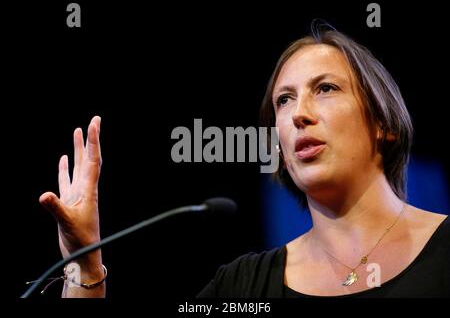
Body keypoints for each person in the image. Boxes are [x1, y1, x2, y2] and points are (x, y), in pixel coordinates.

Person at [39, 27, 449, 298]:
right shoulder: (242, 288)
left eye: (324, 88)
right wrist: (85, 265)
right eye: (283, 101)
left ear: (382, 123)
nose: (297, 115)